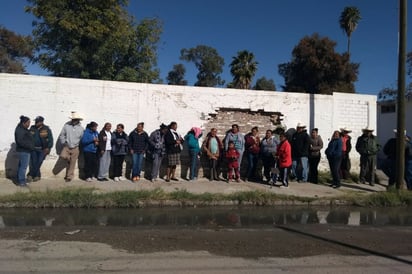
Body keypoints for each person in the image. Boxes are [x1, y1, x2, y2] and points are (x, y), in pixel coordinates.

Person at [56, 111, 84, 182]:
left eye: (75, 119)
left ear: (78, 120)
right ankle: (68, 159)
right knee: (63, 156)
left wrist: (79, 146)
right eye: (72, 119)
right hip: (67, 146)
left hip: (75, 147)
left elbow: (81, 138)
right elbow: (62, 135)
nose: (73, 120)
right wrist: (64, 142)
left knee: (73, 162)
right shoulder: (66, 126)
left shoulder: (81, 128)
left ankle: (69, 176)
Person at [27, 116, 53, 182]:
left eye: (38, 122)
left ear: (41, 122)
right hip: (33, 148)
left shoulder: (46, 129)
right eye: (36, 121)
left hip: (42, 149)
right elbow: (28, 137)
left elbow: (51, 139)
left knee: (39, 162)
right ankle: (37, 176)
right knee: (34, 162)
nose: (36, 123)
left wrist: (48, 147)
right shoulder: (32, 128)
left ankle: (31, 174)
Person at [14, 115, 34, 186]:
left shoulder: (23, 129)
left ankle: (19, 179)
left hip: (25, 150)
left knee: (21, 166)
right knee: (23, 167)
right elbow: (20, 141)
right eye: (28, 123)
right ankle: (22, 182)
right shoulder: (20, 130)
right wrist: (30, 146)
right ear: (23, 123)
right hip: (24, 151)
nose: (29, 124)